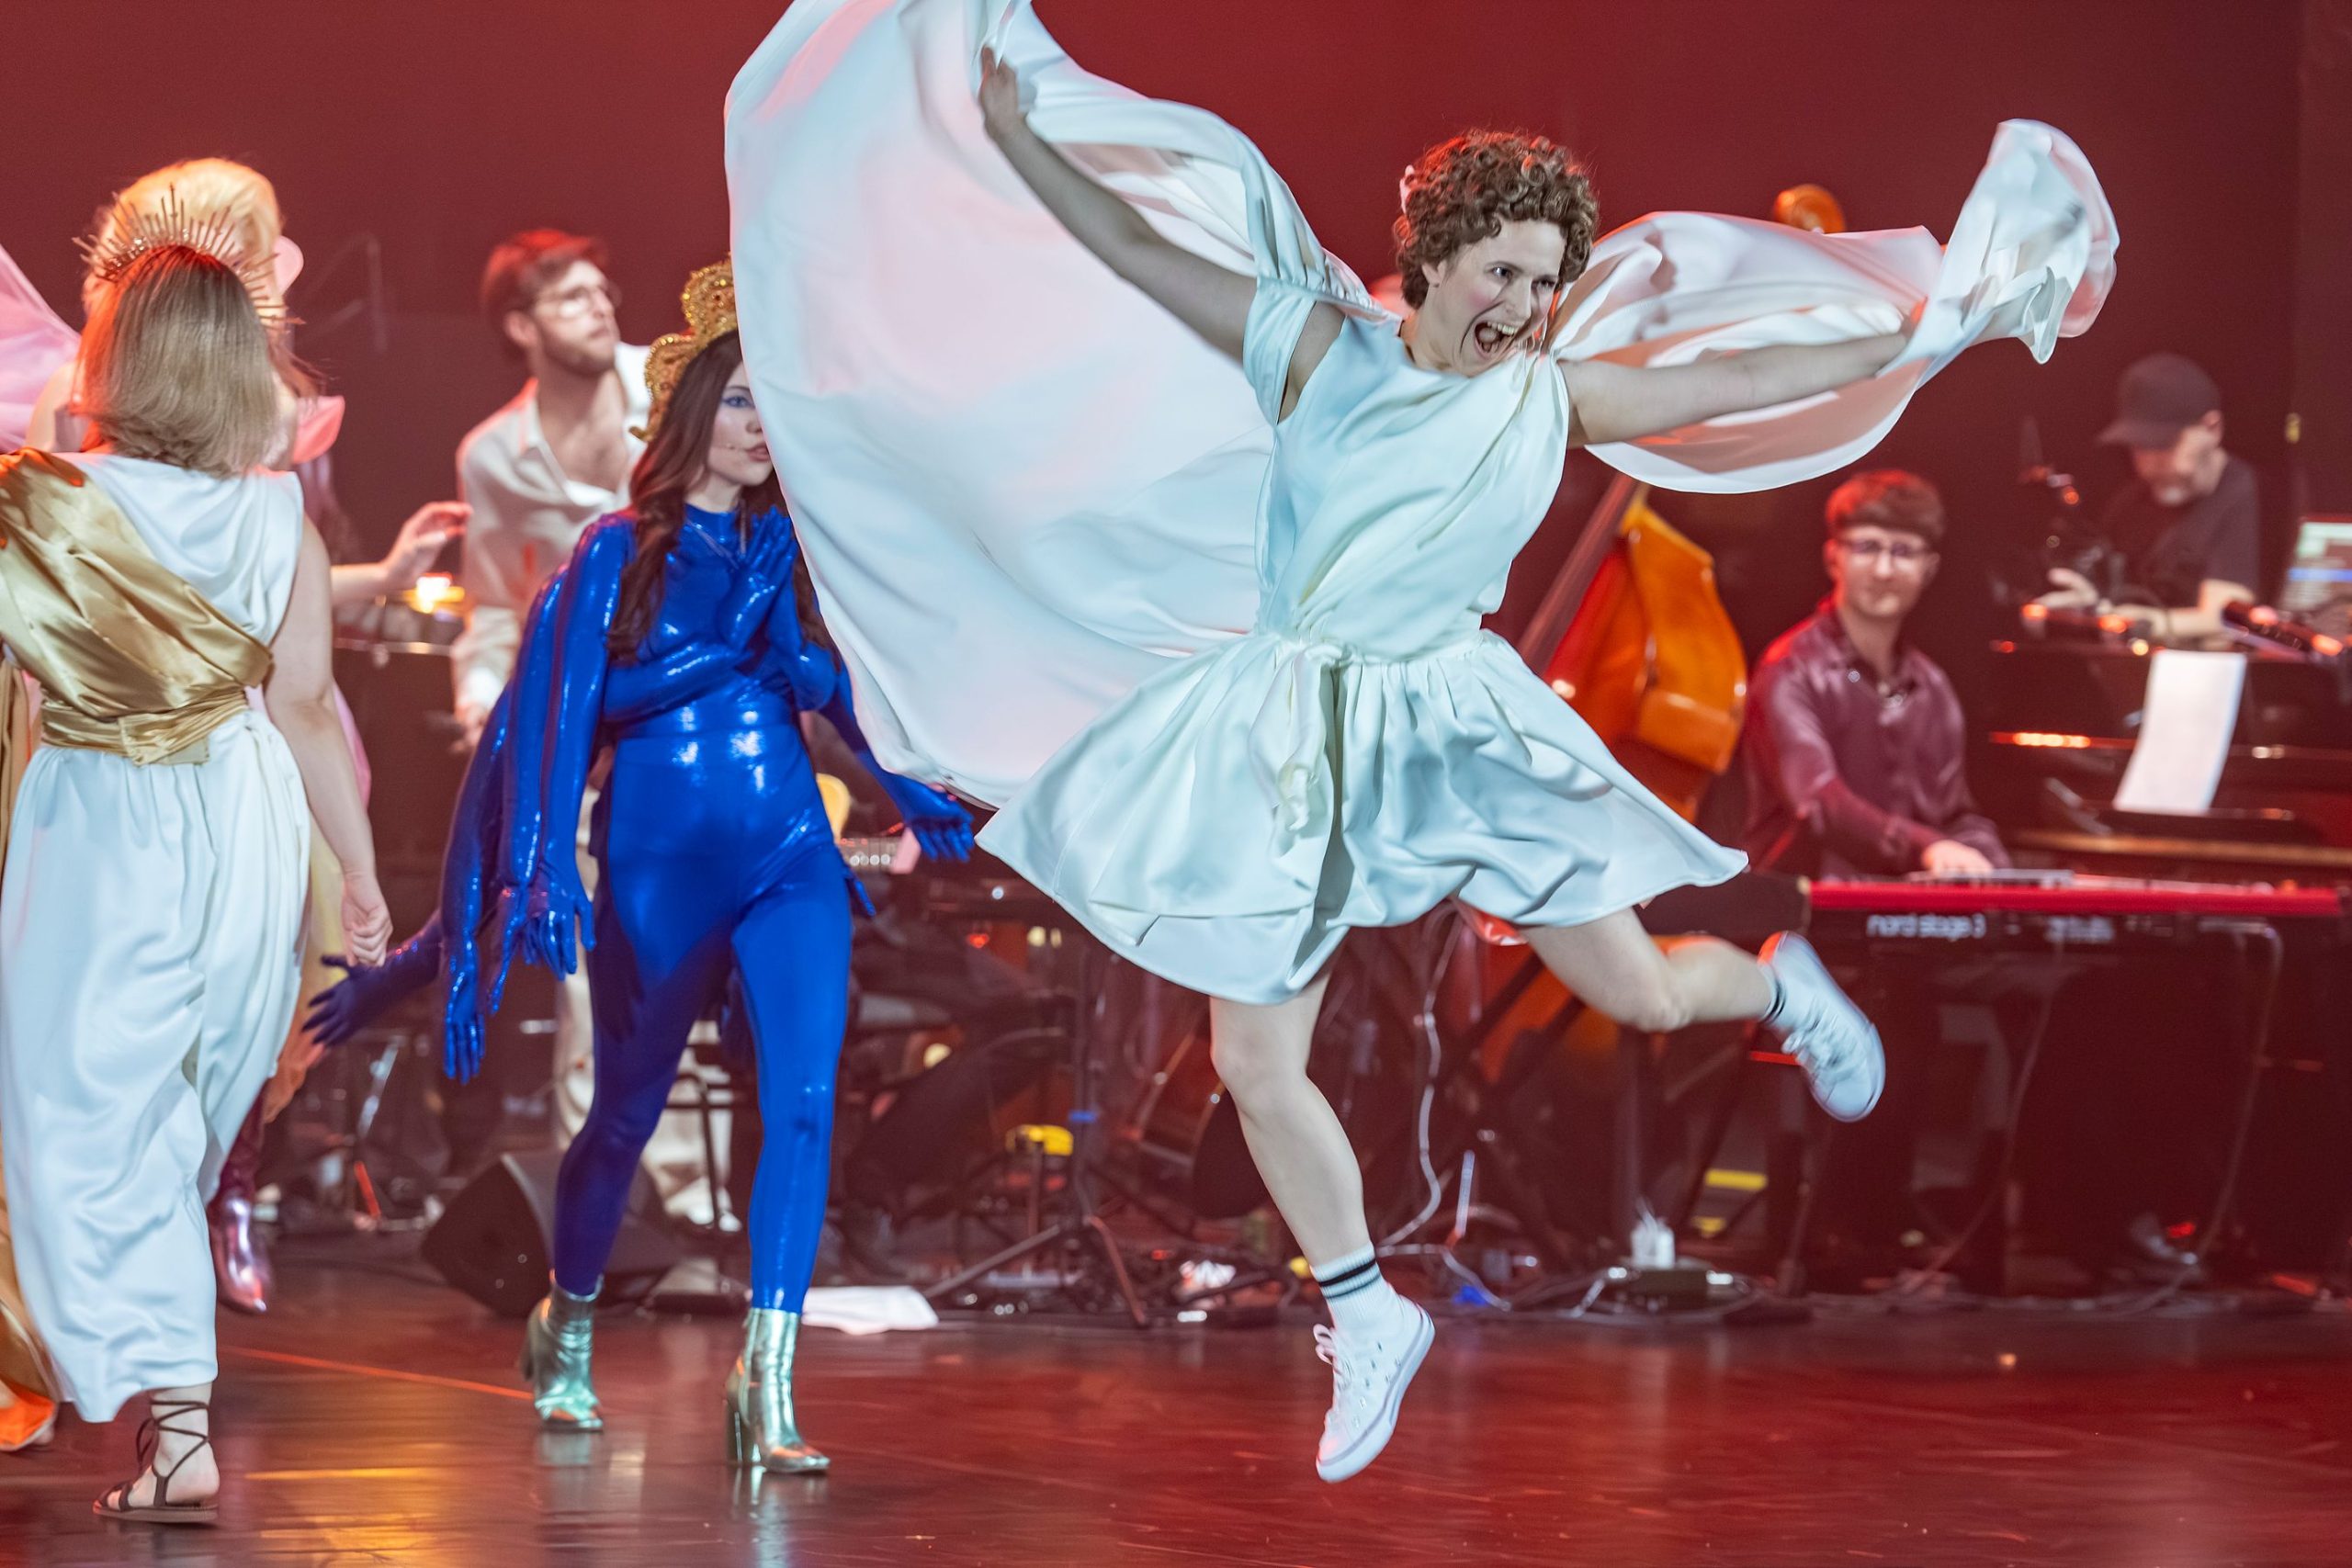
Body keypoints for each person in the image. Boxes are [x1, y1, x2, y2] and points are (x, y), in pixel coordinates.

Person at [727, 1, 2113, 1481]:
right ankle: (1367, 1307)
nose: (1522, 301)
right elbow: (1133, 251)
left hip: (1457, 723)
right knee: (1254, 1057)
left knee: (1641, 988)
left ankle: (1781, 989)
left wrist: (1937, 325)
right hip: (1293, 724)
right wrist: (1015, 140)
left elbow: (1751, 378)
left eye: (1547, 278)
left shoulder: (1555, 395)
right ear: (1439, 254)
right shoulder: (1314, 348)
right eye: (1502, 269)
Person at [313, 263, 972, 1469]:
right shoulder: (615, 552)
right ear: (691, 413)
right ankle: (564, 1322)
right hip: (659, 865)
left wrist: (910, 787)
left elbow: (833, 692)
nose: (762, 426)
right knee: (621, 1115)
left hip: (789, 853)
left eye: (774, 405)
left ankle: (767, 1379)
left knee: (805, 1101)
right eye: (741, 402)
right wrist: (546, 868)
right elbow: (566, 715)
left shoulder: (784, 549)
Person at [1, 160, 465, 1317]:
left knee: (233, 1000)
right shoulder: (83, 404)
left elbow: (258, 585)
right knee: (107, 1029)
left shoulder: (251, 406)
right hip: (114, 734)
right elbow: (107, 586)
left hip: (237, 726)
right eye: (265, 250)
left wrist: (383, 579)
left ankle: (214, 1199)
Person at [0, 231, 389, 1525]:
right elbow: (308, 705)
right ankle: (176, 1428)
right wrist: (360, 873)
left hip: (101, 818)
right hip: (244, 813)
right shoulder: (278, 512)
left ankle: (140, 1391)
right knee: (183, 1121)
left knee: (78, 1114)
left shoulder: (38, 500)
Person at [1744, 469, 2008, 878]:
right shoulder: (1789, 670)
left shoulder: (1932, 685)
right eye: (1867, 547)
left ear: (1929, 568)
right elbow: (1817, 803)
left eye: (1903, 551)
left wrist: (1995, 868)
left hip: (1906, 910)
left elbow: (1955, 815)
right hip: (1807, 909)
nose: (1884, 570)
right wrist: (1927, 847)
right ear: (1833, 557)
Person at [2039, 352, 2259, 640]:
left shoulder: (2249, 496)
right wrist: (2087, 605)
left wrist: (2134, 622)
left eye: (2164, 444)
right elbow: (2110, 595)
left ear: (2212, 429)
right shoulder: (2129, 504)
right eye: (2140, 446)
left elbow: (2226, 619)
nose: (2149, 462)